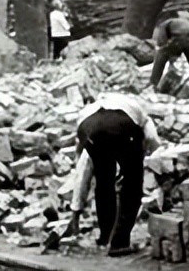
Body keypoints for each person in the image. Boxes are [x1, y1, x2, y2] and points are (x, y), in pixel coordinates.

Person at [64, 93, 161, 257]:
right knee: (132, 184)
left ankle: (104, 237)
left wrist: (76, 214)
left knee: (104, 182)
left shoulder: (88, 111)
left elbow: (82, 175)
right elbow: (155, 145)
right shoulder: (140, 114)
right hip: (123, 128)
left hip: (89, 131)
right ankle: (119, 243)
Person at [149, 11, 189, 95]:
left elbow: (161, 43)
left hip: (179, 39)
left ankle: (153, 84)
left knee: (160, 56)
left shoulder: (165, 24)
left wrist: (169, 58)